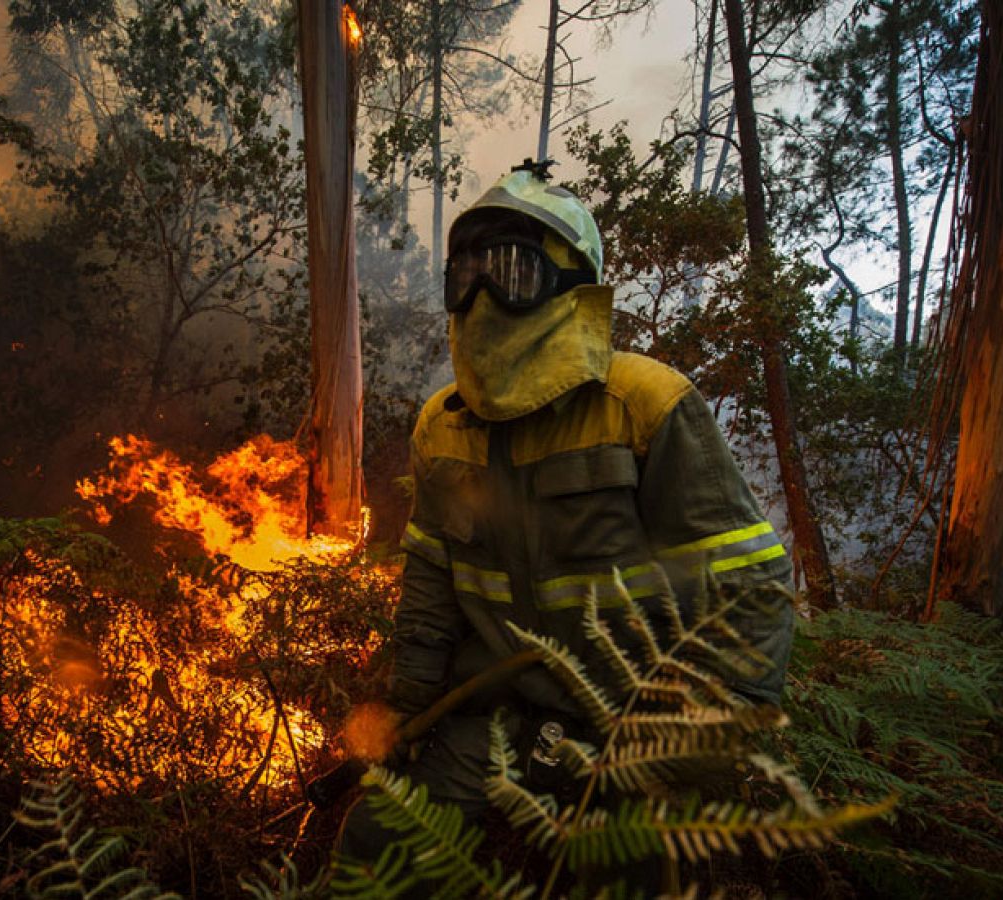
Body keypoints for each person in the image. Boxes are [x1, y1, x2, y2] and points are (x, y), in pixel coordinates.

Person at [333, 160, 796, 864]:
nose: (484, 297)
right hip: (492, 717)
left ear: (573, 286)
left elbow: (750, 587)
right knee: (375, 843)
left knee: (631, 872)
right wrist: (408, 707)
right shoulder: (442, 428)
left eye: (512, 273)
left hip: (628, 723)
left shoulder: (644, 406)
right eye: (467, 277)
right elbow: (431, 587)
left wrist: (701, 744)